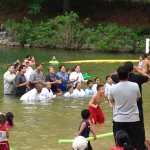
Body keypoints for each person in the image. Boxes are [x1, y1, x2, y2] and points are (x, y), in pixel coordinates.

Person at [111, 61, 149, 150]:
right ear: (132, 70)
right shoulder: (136, 82)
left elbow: (111, 100)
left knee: (120, 141)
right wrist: (138, 70)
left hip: (119, 117)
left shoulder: (115, 83)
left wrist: (120, 71)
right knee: (138, 139)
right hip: (134, 114)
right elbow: (148, 77)